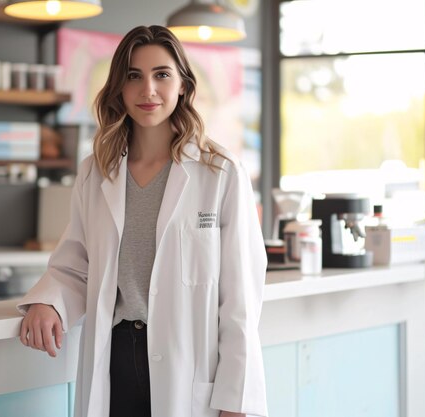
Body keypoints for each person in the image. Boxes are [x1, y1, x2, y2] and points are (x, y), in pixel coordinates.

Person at [18, 25, 268, 417]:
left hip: (187, 366)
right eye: (133, 76)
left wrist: (235, 399)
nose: (147, 90)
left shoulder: (219, 172)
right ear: (118, 87)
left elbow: (240, 298)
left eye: (161, 75)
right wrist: (48, 302)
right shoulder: (96, 173)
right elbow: (76, 263)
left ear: (183, 85)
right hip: (117, 360)